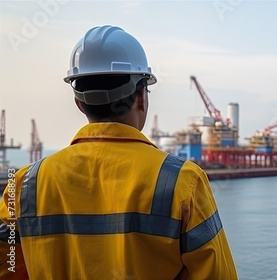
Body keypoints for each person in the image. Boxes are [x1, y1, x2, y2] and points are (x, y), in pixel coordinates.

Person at [0, 25, 238, 279]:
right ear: (142, 98)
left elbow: (7, 268)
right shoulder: (184, 182)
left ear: (79, 103)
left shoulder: (24, 186)